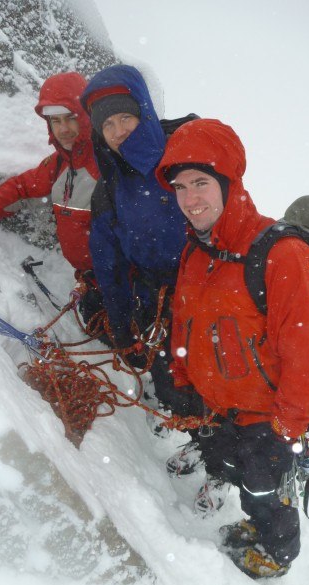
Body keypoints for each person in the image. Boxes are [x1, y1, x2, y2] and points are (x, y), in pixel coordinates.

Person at [155, 118, 309, 579]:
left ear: (229, 182)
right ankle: (259, 526)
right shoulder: (197, 250)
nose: (190, 199)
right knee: (240, 477)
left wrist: (284, 428)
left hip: (267, 418)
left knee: (265, 491)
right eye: (180, 187)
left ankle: (278, 555)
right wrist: (182, 381)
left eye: (201, 183)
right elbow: (183, 321)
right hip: (220, 410)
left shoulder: (282, 254)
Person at [80, 64, 202, 422]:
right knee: (171, 381)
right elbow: (109, 265)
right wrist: (120, 327)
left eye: (124, 118)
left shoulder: (185, 160)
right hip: (156, 303)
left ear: (143, 113)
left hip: (207, 294)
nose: (118, 132)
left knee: (217, 378)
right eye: (107, 125)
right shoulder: (110, 189)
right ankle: (187, 429)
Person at [0, 72, 102, 325]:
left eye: (70, 118)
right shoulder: (60, 162)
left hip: (118, 281)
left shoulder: (104, 165)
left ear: (85, 116)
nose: (63, 129)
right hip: (91, 279)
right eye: (55, 121)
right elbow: (22, 187)